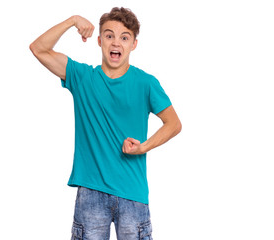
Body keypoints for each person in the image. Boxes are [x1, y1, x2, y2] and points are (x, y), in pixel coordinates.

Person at [30, 7, 182, 240]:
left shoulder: (146, 83)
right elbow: (38, 48)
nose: (116, 43)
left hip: (133, 194)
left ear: (133, 44)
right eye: (109, 36)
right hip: (91, 193)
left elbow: (173, 123)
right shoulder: (82, 77)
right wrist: (72, 21)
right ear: (100, 41)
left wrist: (144, 147)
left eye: (124, 37)